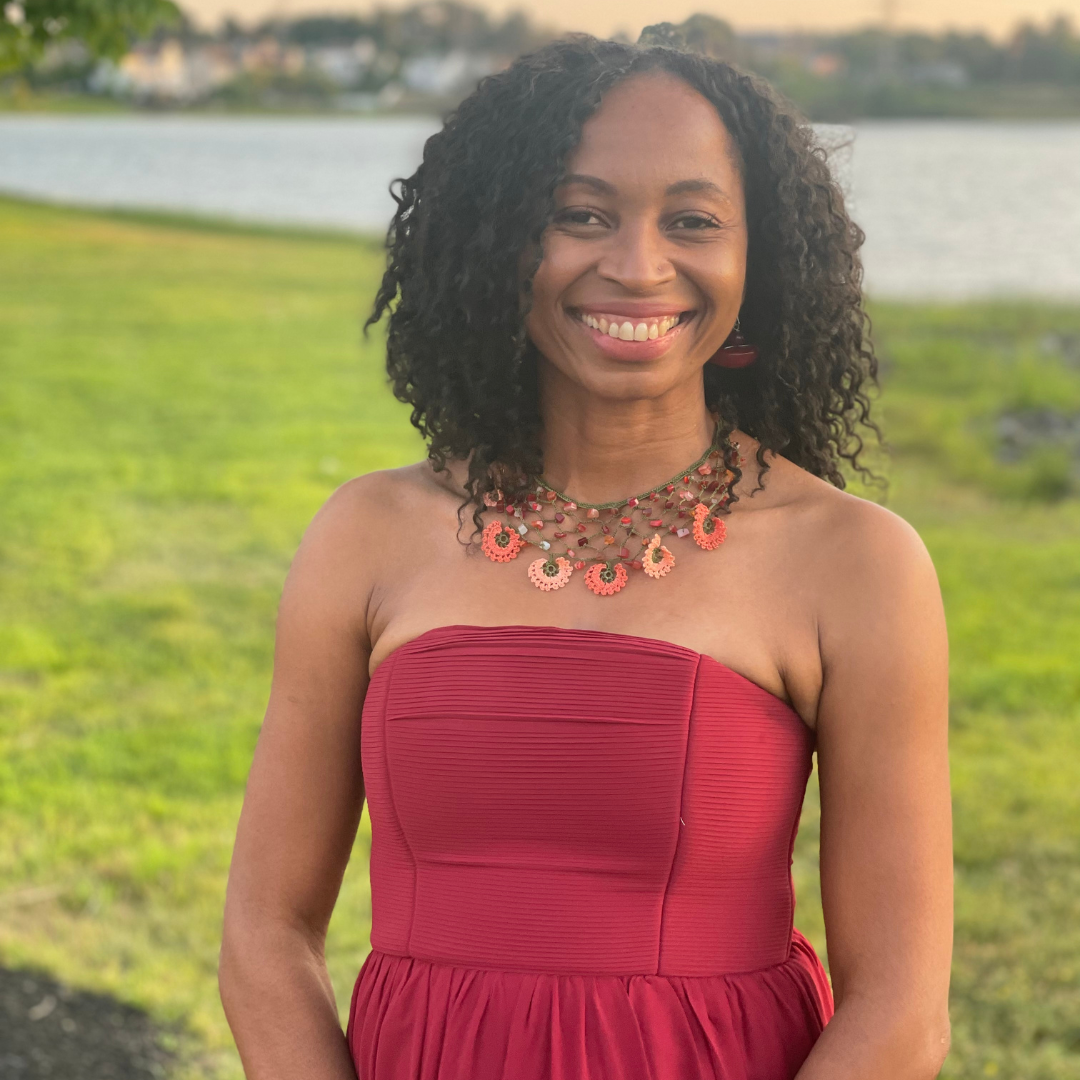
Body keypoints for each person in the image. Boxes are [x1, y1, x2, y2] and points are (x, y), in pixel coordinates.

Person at [218, 33, 954, 1080]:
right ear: (498, 237)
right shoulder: (369, 536)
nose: (639, 265)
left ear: (761, 258)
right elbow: (263, 932)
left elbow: (901, 1014)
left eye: (693, 221)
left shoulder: (855, 564)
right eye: (581, 215)